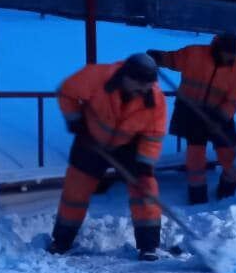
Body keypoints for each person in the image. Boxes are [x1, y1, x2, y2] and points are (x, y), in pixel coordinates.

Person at [47, 53, 167, 260]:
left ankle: (148, 246)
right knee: (76, 190)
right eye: (140, 85)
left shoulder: (154, 100)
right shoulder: (96, 76)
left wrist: (145, 164)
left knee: (146, 189)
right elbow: (66, 91)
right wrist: (76, 120)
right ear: (126, 77)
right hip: (90, 139)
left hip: (129, 145)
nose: (144, 90)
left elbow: (154, 135)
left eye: (148, 85)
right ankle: (61, 241)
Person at [147, 33, 236, 204]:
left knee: (230, 155)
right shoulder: (195, 54)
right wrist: (158, 57)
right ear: (218, 49)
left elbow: (233, 99)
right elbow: (172, 59)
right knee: (195, 155)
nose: (230, 58)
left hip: (219, 114)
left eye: (233, 54)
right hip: (191, 111)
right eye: (227, 53)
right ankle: (197, 195)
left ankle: (227, 194)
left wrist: (220, 118)